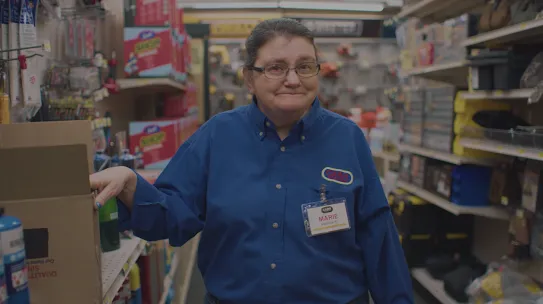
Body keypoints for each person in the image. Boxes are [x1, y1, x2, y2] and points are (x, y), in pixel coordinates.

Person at [90, 18, 413, 304]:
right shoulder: (217, 135)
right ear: (249, 78)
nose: (292, 79)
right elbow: (172, 216)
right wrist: (131, 185)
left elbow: (378, 234)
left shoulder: (347, 137)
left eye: (305, 66)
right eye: (275, 67)